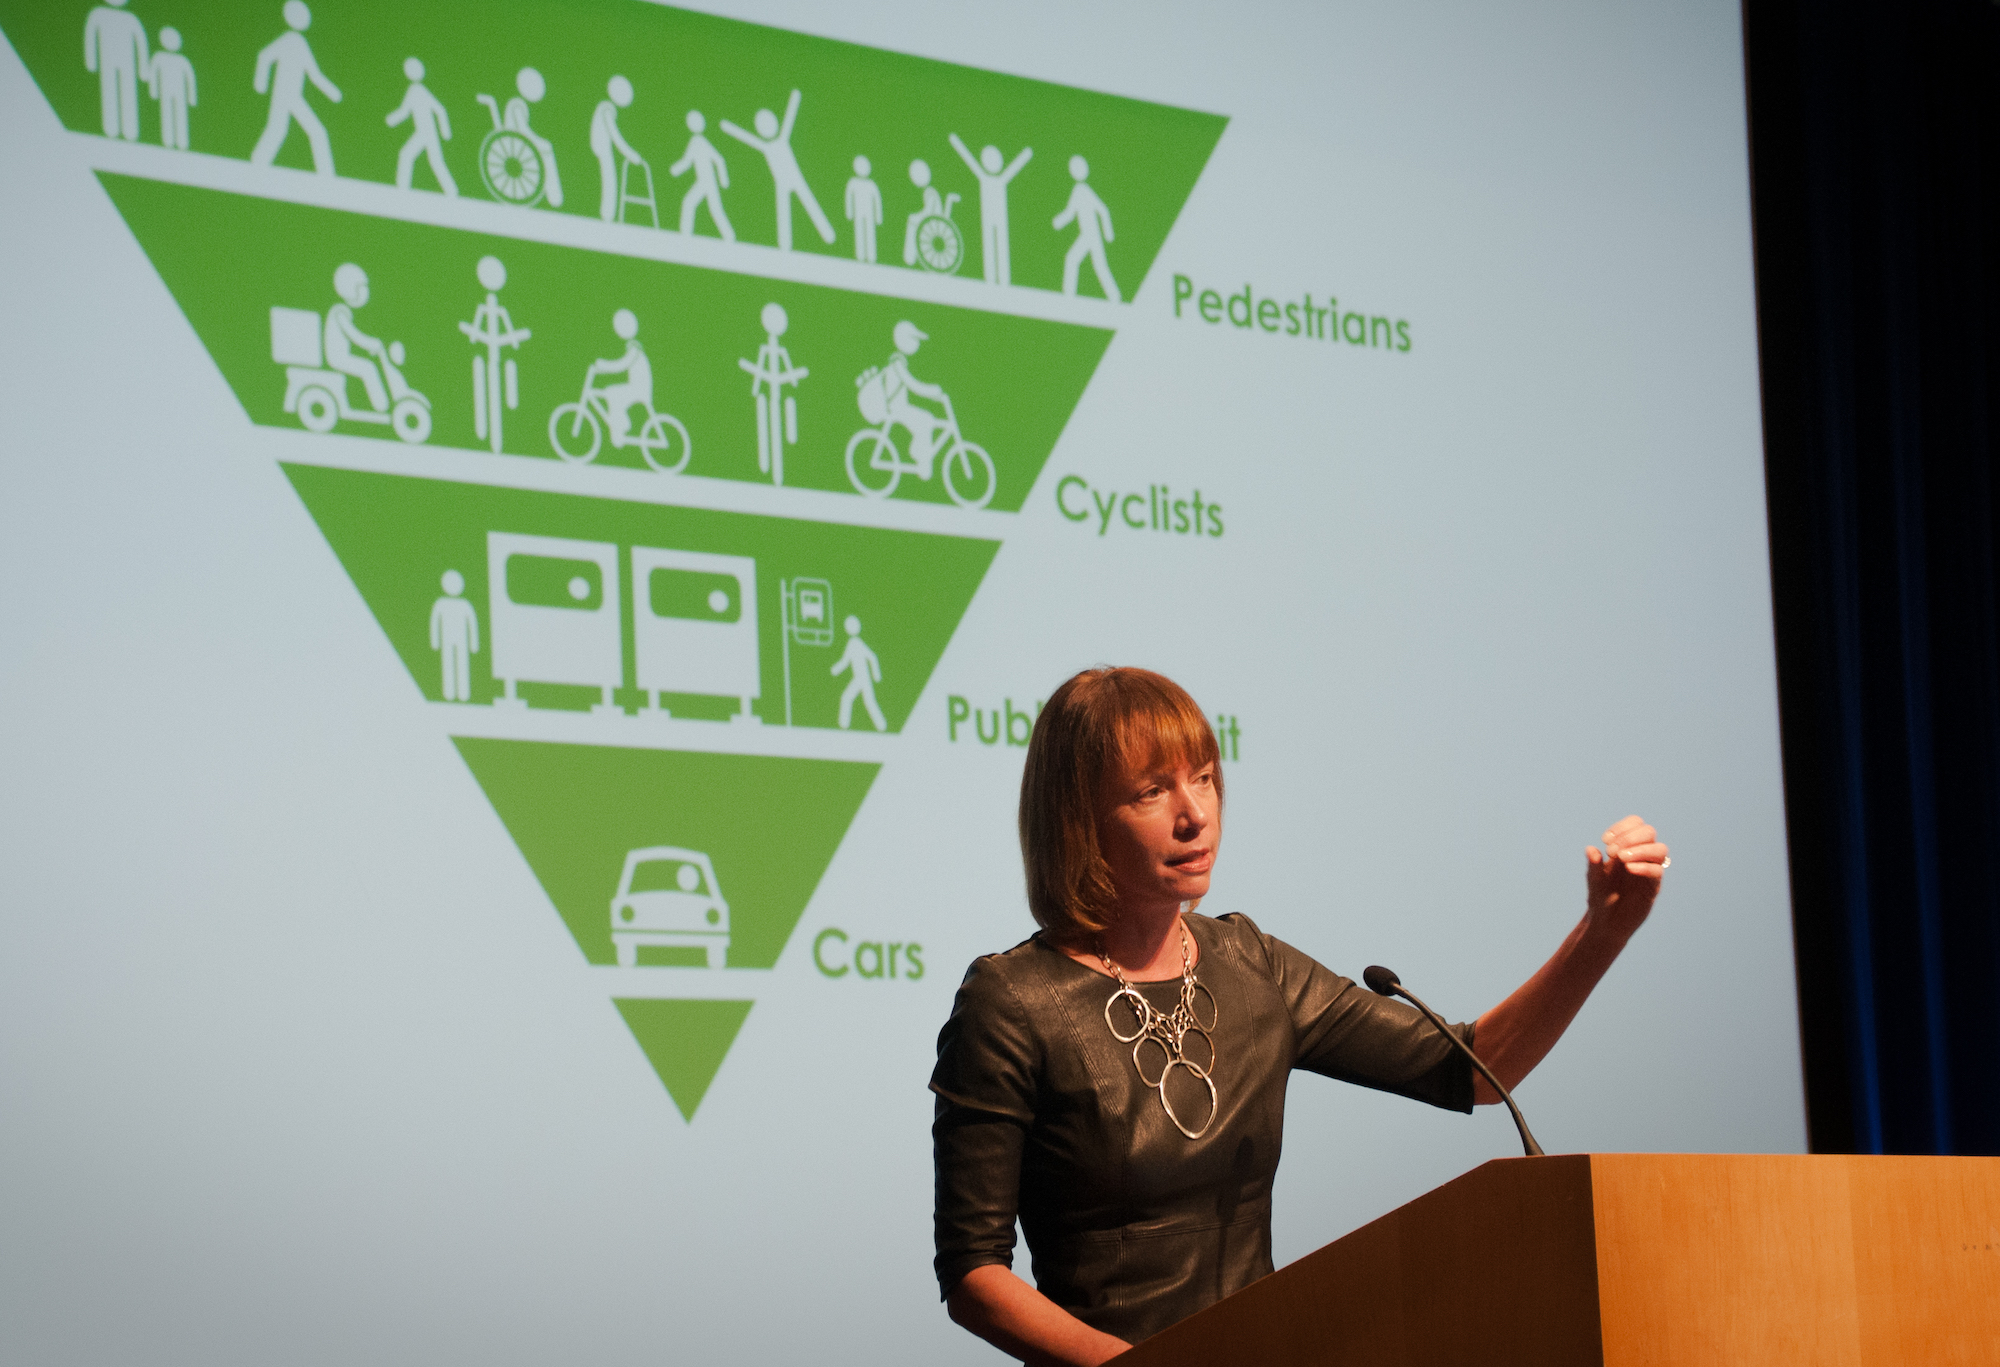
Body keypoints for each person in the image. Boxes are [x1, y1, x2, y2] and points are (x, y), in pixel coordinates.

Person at [932, 667, 1668, 1361]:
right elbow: (973, 1273)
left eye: (1205, 778)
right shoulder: (1012, 1001)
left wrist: (1602, 934)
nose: (1196, 814)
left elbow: (1474, 1069)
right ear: (1079, 821)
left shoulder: (1249, 962)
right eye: (1153, 791)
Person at [720, 90, 835, 252]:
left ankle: (827, 234)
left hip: (795, 178)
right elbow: (748, 138)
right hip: (781, 182)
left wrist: (795, 98)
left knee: (808, 203)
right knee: (784, 210)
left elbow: (789, 117)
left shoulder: (780, 140)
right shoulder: (766, 146)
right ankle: (785, 246)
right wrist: (728, 128)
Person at [251, 1, 340, 176]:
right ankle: (257, 164)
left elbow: (314, 74)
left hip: (293, 97)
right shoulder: (289, 39)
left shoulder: (300, 43)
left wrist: (332, 92)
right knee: (287, 130)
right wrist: (261, 83)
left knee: (309, 131)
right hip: (283, 96)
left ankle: (326, 175)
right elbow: (265, 56)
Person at [949, 134, 1032, 286]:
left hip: (1000, 218)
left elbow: (1013, 168)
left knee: (1001, 245)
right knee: (989, 245)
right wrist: (956, 142)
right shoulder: (984, 178)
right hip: (988, 217)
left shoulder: (1000, 180)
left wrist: (1025, 155)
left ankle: (1003, 280)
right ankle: (991, 279)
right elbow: (970, 160)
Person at [1053, 155, 1119, 302]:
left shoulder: (1083, 190)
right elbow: (1071, 213)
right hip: (1087, 235)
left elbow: (1103, 210)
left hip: (1092, 235)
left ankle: (1114, 296)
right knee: (1074, 260)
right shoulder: (1079, 190)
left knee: (1096, 264)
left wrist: (1108, 233)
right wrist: (1059, 222)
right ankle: (1069, 295)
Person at [324, 263, 388, 412]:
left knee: (368, 366)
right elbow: (353, 335)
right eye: (361, 287)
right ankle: (381, 407)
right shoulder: (339, 312)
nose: (365, 292)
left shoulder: (342, 310)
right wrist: (371, 343)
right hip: (337, 357)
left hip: (342, 355)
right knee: (368, 368)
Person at [387, 57, 455, 195]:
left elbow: (440, 109)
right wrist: (392, 120)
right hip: (424, 132)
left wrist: (445, 131)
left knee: (415, 157)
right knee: (426, 159)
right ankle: (451, 191)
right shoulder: (414, 89)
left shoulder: (418, 90)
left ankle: (451, 191)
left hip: (427, 133)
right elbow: (405, 111)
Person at [84, 0, 148, 142]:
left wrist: (143, 70)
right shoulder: (99, 14)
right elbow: (91, 36)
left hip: (128, 63)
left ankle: (131, 130)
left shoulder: (131, 19)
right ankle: (110, 128)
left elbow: (140, 44)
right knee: (109, 91)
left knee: (128, 92)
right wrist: (92, 62)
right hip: (107, 61)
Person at [588, 308, 653, 445]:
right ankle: (620, 426)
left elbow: (622, 365)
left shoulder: (635, 349)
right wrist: (603, 369)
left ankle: (622, 424)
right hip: (636, 386)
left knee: (612, 392)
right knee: (612, 392)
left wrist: (603, 365)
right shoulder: (633, 347)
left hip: (639, 388)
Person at [669, 110, 734, 240]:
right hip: (703, 182)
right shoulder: (696, 141)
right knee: (690, 203)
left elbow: (719, 159)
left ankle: (730, 237)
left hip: (708, 182)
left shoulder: (699, 141)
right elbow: (688, 161)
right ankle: (685, 235)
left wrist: (724, 179)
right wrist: (676, 169)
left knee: (713, 209)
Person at [590, 75, 646, 222]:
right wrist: (632, 155)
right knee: (609, 178)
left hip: (602, 147)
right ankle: (607, 215)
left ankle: (607, 214)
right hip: (602, 147)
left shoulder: (605, 107)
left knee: (609, 177)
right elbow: (615, 136)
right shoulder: (606, 109)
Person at [148, 26, 196, 151]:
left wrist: (191, 97)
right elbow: (154, 74)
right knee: (167, 112)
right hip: (165, 92)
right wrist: (154, 91)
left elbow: (189, 79)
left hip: (180, 93)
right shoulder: (159, 57)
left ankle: (181, 141)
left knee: (180, 114)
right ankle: (168, 140)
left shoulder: (182, 60)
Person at [844, 155, 882, 264]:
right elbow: (849, 197)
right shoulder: (853, 182)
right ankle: (860, 255)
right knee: (859, 231)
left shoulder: (871, 184)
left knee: (870, 232)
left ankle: (871, 256)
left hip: (869, 213)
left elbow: (877, 201)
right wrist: (849, 213)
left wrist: (878, 217)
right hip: (858, 212)